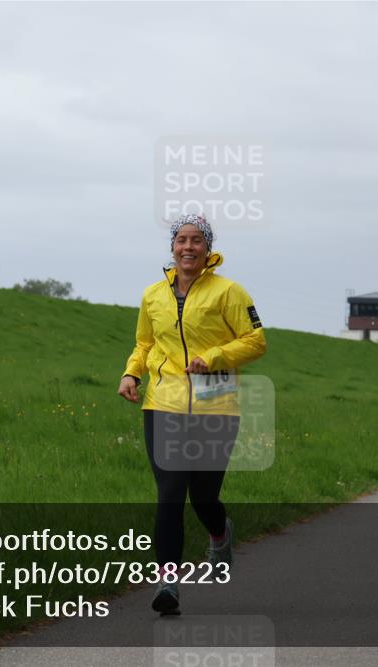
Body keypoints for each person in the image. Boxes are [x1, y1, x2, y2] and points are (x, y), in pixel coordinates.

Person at [118, 214, 267, 615]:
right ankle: (168, 581)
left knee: (203, 496)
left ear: (208, 249)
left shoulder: (229, 292)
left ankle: (219, 535)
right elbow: (145, 342)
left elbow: (256, 341)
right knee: (169, 495)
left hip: (214, 405)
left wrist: (215, 357)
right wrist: (132, 372)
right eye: (181, 240)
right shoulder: (153, 295)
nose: (188, 247)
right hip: (163, 405)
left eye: (196, 241)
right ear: (172, 247)